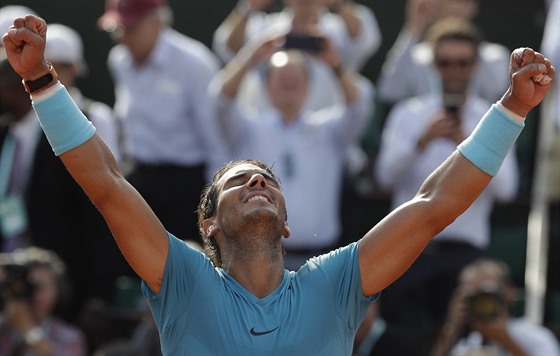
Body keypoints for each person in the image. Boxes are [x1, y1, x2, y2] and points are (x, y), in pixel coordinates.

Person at [2, 14, 555, 355]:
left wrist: (512, 108)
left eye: (266, 179)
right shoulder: (182, 277)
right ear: (210, 223)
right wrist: (41, 82)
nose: (258, 180)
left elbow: (434, 204)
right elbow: (105, 182)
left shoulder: (333, 281)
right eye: (239, 181)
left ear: (287, 223)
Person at [374, 17, 519, 355]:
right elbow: (384, 177)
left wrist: (470, 147)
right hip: (409, 247)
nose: (454, 71)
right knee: (399, 343)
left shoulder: (491, 116)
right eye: (445, 62)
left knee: (464, 344)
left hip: (463, 255)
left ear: (475, 65)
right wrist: (421, 142)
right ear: (434, 65)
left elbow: (508, 189)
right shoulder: (408, 114)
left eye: (463, 63)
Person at [209, 35, 373, 270]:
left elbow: (359, 108)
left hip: (320, 261)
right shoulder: (248, 129)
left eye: (296, 78)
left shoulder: (328, 130)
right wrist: (250, 58)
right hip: (258, 261)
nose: (289, 84)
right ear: (267, 87)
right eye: (282, 78)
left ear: (308, 86)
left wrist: (335, 65)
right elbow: (221, 102)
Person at [97, 0, 227, 243]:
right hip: (140, 180)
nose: (124, 38)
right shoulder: (119, 60)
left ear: (158, 23)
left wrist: (216, 201)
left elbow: (215, 138)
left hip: (186, 187)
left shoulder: (194, 63)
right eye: (118, 30)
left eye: (131, 29)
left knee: (183, 269)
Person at [212, 0, 381, 113]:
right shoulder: (264, 26)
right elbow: (227, 47)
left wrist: (337, 3)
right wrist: (248, 7)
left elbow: (366, 38)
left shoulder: (338, 29)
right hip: (266, 136)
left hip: (323, 139)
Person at [377, 0, 510, 104]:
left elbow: (497, 93)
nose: (451, 7)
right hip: (427, 133)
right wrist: (414, 27)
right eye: (444, 63)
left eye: (463, 63)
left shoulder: (494, 56)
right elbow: (389, 92)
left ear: (472, 4)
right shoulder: (418, 55)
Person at [431, 258, 560, 356]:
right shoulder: (462, 342)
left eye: (486, 292)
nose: (481, 302)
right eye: (473, 293)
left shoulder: (535, 335)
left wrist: (504, 338)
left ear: (509, 292)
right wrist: (452, 326)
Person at [45, 23, 121, 162]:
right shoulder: (27, 118)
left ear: (73, 69)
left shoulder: (98, 115)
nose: (50, 75)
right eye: (44, 69)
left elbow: (112, 172)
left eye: (59, 67)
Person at [0, 247, 87, 356]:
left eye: (43, 287)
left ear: (57, 291)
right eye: (30, 287)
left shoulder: (69, 337)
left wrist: (29, 332)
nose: (36, 295)